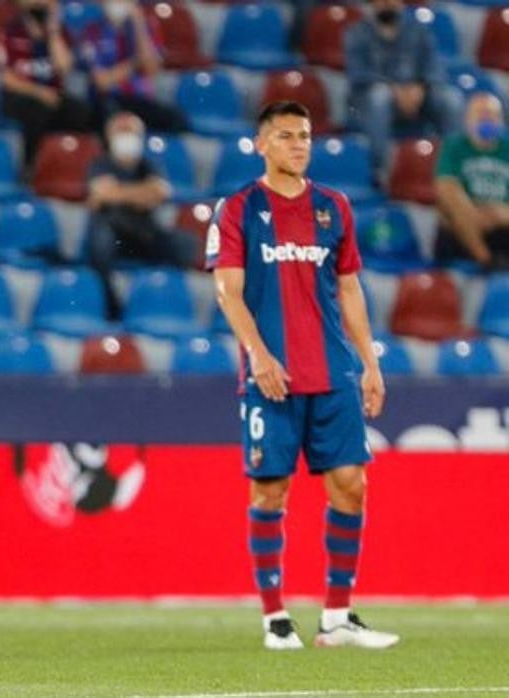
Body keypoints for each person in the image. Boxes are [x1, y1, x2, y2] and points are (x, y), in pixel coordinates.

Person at [207, 101, 399, 651]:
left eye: (305, 136)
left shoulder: (333, 207)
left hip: (333, 370)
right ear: (261, 144)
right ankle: (275, 619)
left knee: (351, 486)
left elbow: (349, 289)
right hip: (272, 376)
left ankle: (336, 617)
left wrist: (369, 362)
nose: (299, 145)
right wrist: (260, 354)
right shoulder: (239, 208)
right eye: (287, 136)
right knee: (270, 490)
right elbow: (227, 291)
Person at [87, 112, 192, 314]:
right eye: (121, 131)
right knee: (100, 245)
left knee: (183, 245)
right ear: (109, 136)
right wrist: (140, 194)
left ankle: (164, 304)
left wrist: (118, 192)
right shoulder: (101, 163)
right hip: (110, 228)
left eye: (131, 132)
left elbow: (160, 193)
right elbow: (100, 194)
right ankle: (111, 307)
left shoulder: (148, 164)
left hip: (141, 228)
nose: (127, 137)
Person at [344, 0, 459, 169]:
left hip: (418, 96)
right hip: (372, 100)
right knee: (379, 97)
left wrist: (421, 87)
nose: (387, 3)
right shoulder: (357, 32)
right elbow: (358, 74)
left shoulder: (418, 30)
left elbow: (433, 67)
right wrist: (395, 90)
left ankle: (452, 168)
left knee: (451, 99)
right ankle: (381, 170)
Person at [0, 0, 95, 167]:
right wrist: (38, 92)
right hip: (20, 95)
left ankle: (72, 164)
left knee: (80, 112)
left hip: (51, 95)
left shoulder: (59, 32)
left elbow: (64, 67)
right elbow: (6, 78)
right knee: (37, 112)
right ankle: (30, 167)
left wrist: (53, 32)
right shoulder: (9, 31)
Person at [79, 0, 186, 133]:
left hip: (139, 99)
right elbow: (102, 82)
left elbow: (151, 68)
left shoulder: (147, 28)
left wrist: (139, 24)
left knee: (177, 120)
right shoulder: (91, 32)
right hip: (109, 100)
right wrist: (135, 64)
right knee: (111, 117)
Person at [434, 92, 509, 268]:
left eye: (491, 115)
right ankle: (486, 260)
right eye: (480, 114)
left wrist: (499, 214)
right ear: (468, 120)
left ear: (501, 121)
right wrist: (474, 214)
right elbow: (445, 188)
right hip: (463, 230)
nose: (486, 120)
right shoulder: (453, 146)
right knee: (450, 199)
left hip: (502, 226)